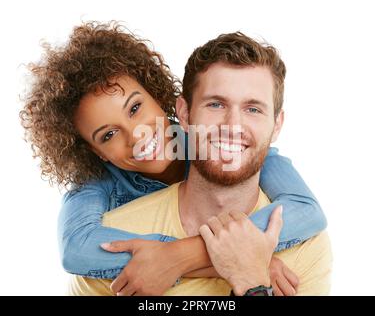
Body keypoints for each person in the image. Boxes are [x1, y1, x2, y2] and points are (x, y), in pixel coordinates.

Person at [20, 22, 327, 296]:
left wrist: (184, 256)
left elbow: (308, 213)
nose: (137, 135)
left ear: (159, 97)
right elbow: (76, 250)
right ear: (96, 152)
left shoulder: (224, 144)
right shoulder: (95, 186)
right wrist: (238, 259)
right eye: (108, 135)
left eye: (135, 108)